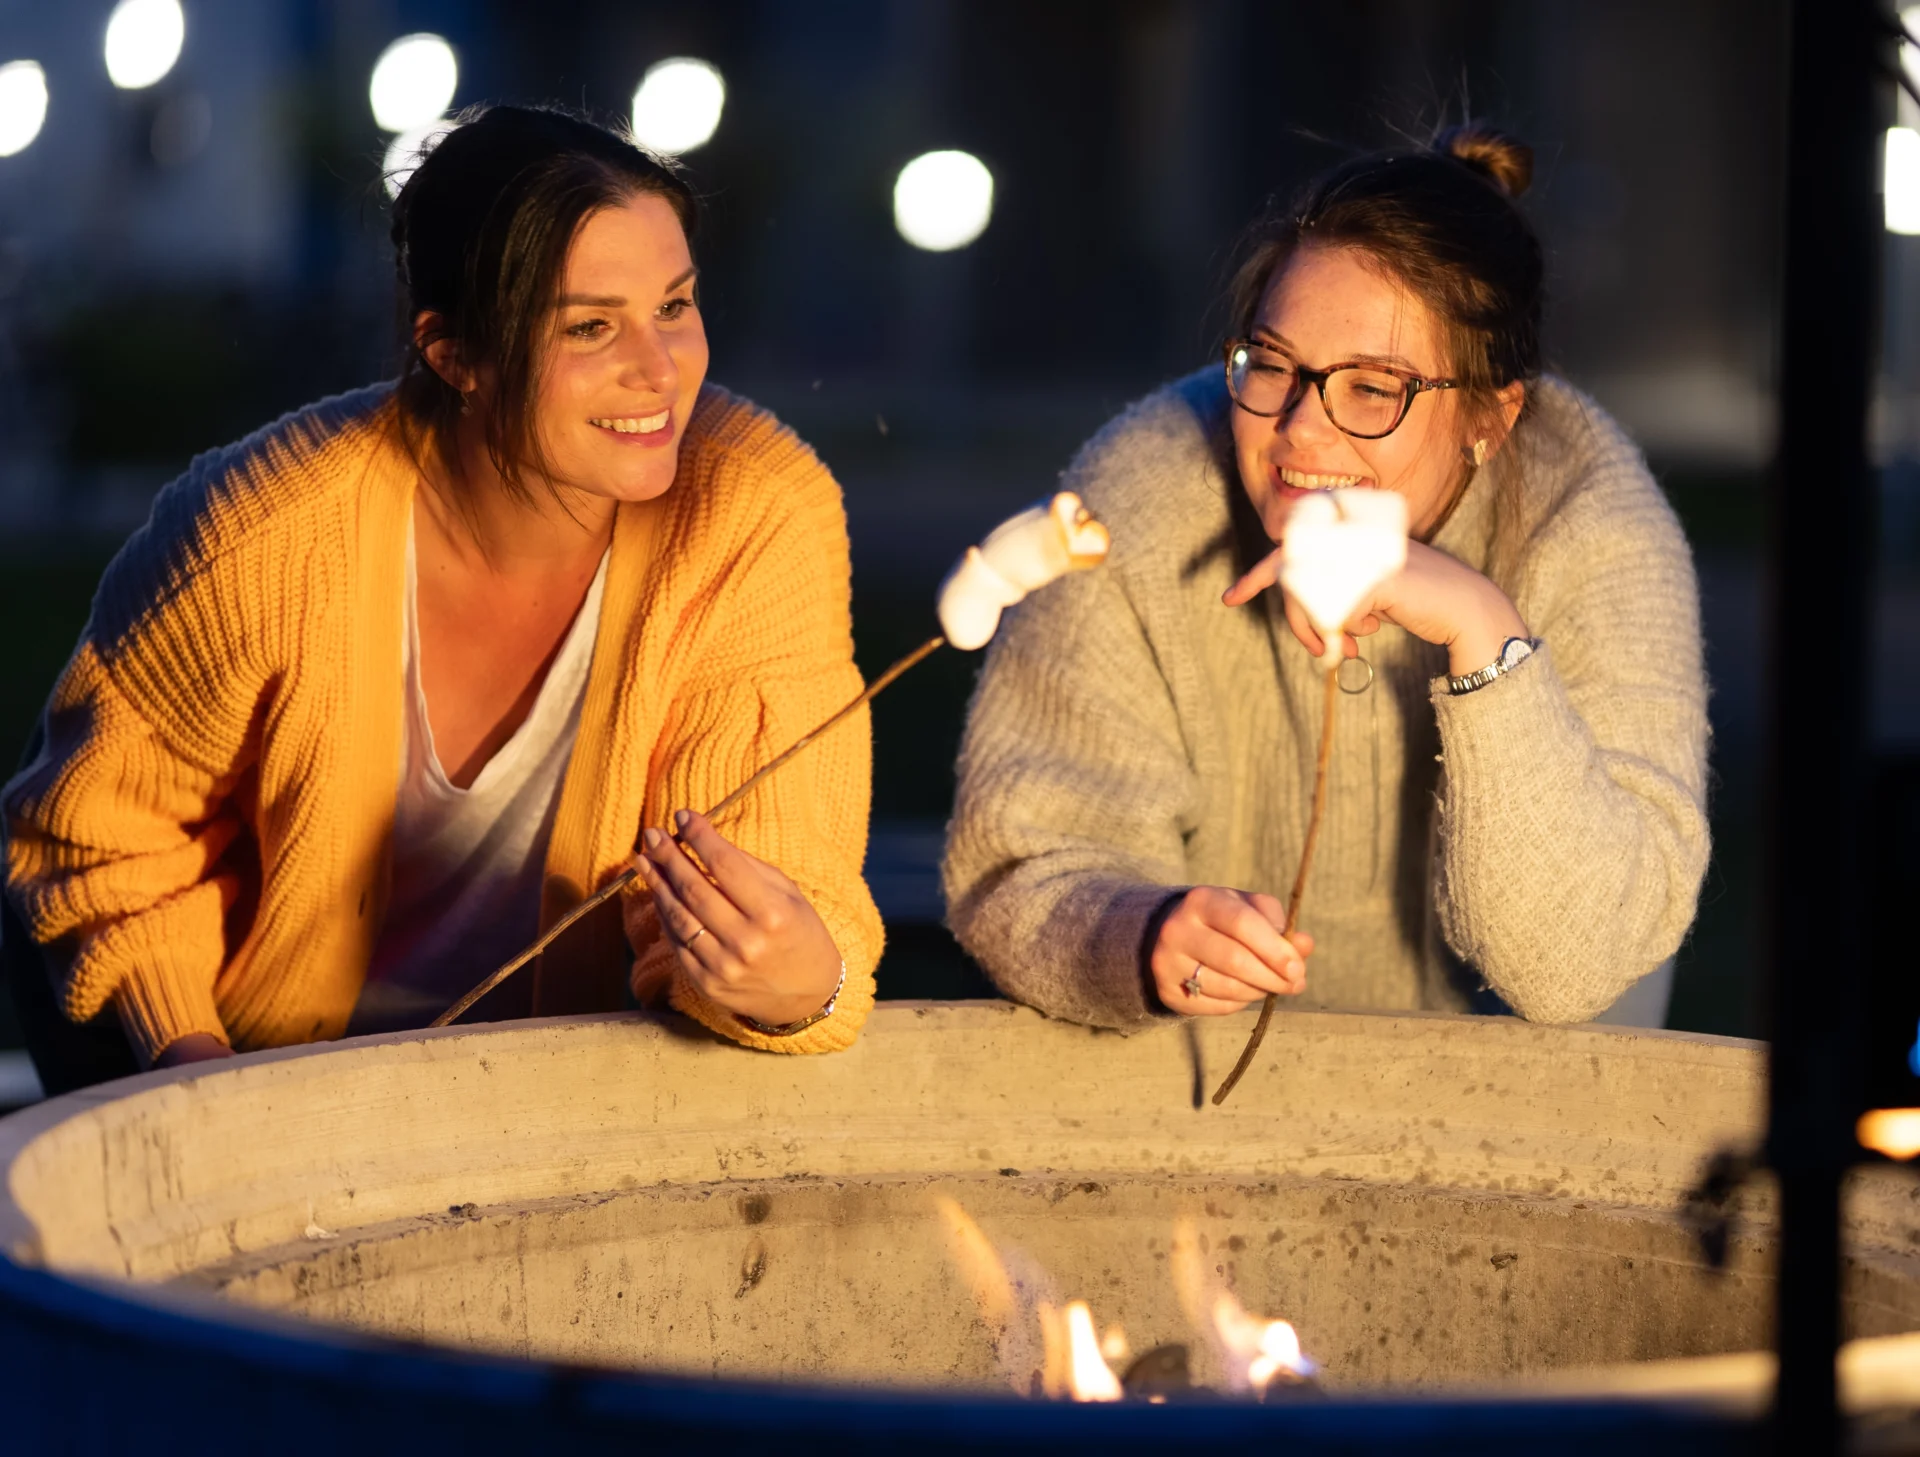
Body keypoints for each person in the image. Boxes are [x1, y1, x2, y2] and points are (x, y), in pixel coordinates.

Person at [2, 106, 882, 1094]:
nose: (660, 368)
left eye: (674, 305)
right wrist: (207, 1087)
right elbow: (92, 837)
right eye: (591, 326)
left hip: (577, 1116)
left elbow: (778, 876)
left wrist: (795, 985)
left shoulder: (752, 514)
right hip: (257, 1080)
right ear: (453, 352)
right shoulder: (263, 534)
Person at [943, 124, 1709, 1032]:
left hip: (1517, 1079)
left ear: (1491, 420)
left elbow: (1580, 964)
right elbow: (1020, 861)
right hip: (1209, 1072)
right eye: (1273, 364)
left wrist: (1481, 626)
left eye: (1374, 388)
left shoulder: (1589, 521)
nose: (1301, 428)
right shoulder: (1143, 493)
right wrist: (1139, 933)